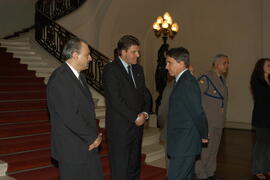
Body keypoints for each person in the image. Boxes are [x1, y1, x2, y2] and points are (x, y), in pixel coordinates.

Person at [47, 38, 103, 180]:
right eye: (87, 55)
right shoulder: (60, 78)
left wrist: (94, 136)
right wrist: (92, 137)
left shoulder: (80, 77)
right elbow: (70, 116)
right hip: (72, 150)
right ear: (75, 55)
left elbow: (86, 111)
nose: (90, 58)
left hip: (86, 145)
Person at [103, 35, 151, 180]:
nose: (138, 55)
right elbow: (115, 101)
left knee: (134, 168)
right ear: (123, 52)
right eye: (134, 52)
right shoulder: (111, 69)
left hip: (137, 128)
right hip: (120, 130)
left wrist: (145, 113)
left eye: (138, 51)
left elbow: (145, 95)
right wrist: (134, 117)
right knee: (120, 170)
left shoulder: (138, 69)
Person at [165, 47, 208, 180]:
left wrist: (204, 133)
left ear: (181, 63)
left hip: (184, 143)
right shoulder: (181, 81)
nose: (166, 67)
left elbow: (197, 112)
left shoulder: (187, 83)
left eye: (169, 62)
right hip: (182, 142)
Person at [195, 54, 229, 180]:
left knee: (214, 149)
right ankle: (200, 174)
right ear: (216, 64)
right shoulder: (205, 78)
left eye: (227, 63)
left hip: (218, 121)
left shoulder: (221, 79)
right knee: (205, 150)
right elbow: (196, 97)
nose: (227, 65)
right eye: (224, 63)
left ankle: (210, 172)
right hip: (208, 121)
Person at [250, 58, 270, 180]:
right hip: (262, 117)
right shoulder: (257, 81)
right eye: (268, 65)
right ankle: (257, 169)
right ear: (261, 67)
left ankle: (267, 168)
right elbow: (262, 100)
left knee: (269, 145)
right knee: (261, 145)